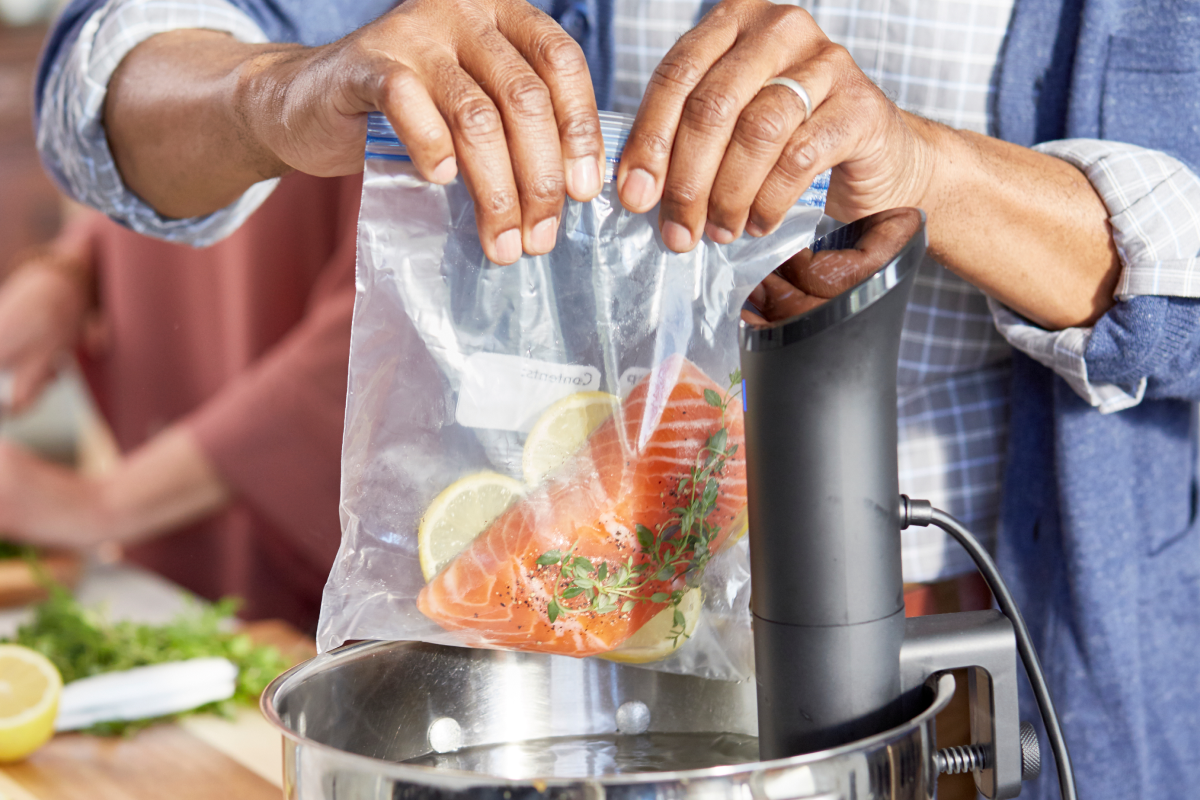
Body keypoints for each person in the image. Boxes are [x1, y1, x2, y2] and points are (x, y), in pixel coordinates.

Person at [30, 0, 1200, 797]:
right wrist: (270, 94)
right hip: (564, 648)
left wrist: (929, 165)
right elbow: (108, 75)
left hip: (1019, 680)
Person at [0, 172, 360, 631]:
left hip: (323, 602)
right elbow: (150, 151)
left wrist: (103, 503)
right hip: (163, 572)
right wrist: (73, 268)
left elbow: (380, 325)